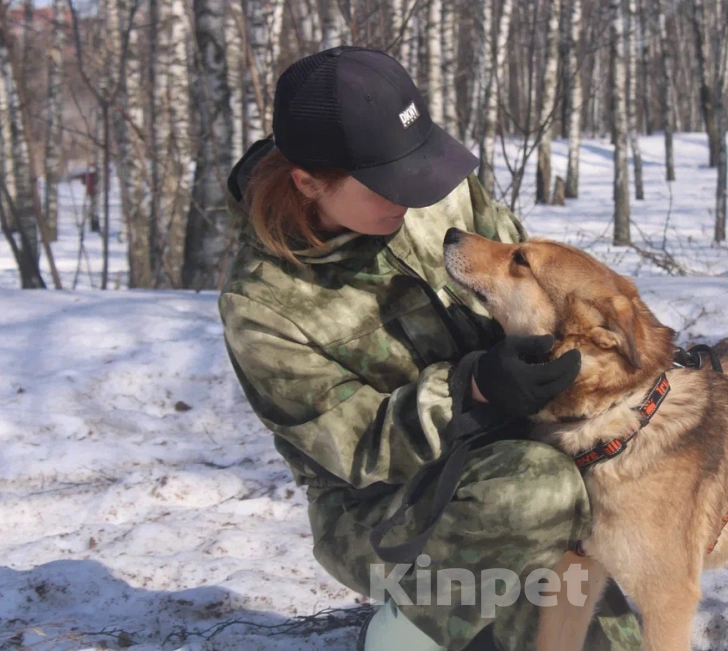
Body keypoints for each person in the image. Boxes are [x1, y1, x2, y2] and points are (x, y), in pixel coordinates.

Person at [218, 46, 642, 651]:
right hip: (382, 507)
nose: (414, 194)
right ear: (308, 183)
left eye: (418, 169)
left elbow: (522, 277)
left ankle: (500, 607)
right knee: (538, 489)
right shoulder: (262, 303)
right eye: (389, 183)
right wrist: (473, 390)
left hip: (520, 450)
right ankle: (404, 637)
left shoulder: (429, 189)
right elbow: (356, 448)